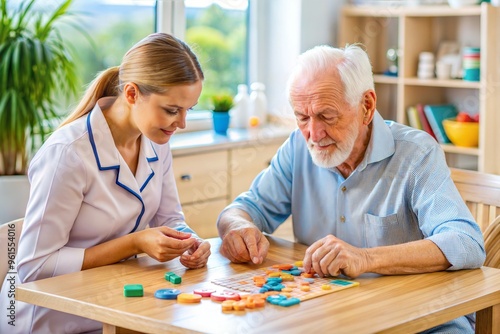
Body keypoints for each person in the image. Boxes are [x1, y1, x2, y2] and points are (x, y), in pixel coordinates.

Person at [217, 44, 485, 333]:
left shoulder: (417, 153)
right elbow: (245, 209)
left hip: (422, 321)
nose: (313, 135)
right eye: (302, 117)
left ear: (367, 106)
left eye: (327, 116)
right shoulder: (297, 147)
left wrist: (365, 257)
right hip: (334, 318)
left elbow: (466, 243)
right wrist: (236, 227)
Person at [0, 32, 211, 334]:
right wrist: (135, 242)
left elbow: (170, 219)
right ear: (132, 94)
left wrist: (190, 242)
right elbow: (34, 266)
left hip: (114, 307)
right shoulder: (68, 153)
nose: (182, 124)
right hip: (52, 319)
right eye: (171, 110)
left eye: (187, 110)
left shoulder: (156, 142)